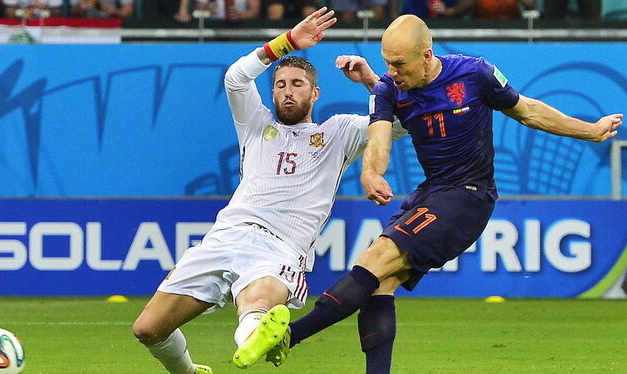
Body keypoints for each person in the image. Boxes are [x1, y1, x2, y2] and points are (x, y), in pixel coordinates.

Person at [234, 13, 623, 374]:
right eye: (386, 62)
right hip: (430, 195)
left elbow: (529, 111)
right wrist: (371, 172)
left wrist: (590, 129)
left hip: (468, 197)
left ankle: (288, 337)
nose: (391, 72)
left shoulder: (475, 73)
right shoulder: (387, 89)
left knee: (377, 258)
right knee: (380, 283)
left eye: (399, 64)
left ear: (427, 55)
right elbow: (380, 137)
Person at [132, 7, 406, 373]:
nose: (287, 92)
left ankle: (255, 337)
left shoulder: (338, 132)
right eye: (280, 84)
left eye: (297, 84)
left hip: (280, 246)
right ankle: (199, 366)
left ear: (315, 93)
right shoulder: (255, 124)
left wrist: (372, 79)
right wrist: (288, 41)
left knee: (256, 302)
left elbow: (401, 124)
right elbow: (235, 78)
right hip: (225, 236)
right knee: (148, 329)